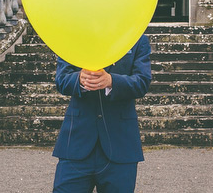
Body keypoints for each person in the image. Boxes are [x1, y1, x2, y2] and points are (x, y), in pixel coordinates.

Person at [52, 34, 152, 193]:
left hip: (121, 144)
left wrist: (112, 81)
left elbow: (142, 82)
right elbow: (61, 79)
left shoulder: (138, 39)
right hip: (76, 142)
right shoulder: (72, 36)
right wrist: (79, 79)